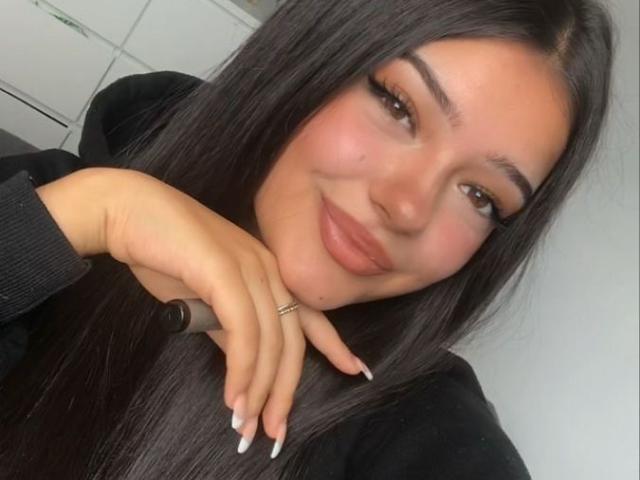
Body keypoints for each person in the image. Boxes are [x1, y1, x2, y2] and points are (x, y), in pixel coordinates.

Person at [0, 0, 614, 478]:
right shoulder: (63, 201)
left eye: (480, 196)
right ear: (309, 62)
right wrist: (95, 214)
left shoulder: (419, 429)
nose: (406, 207)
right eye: (398, 105)